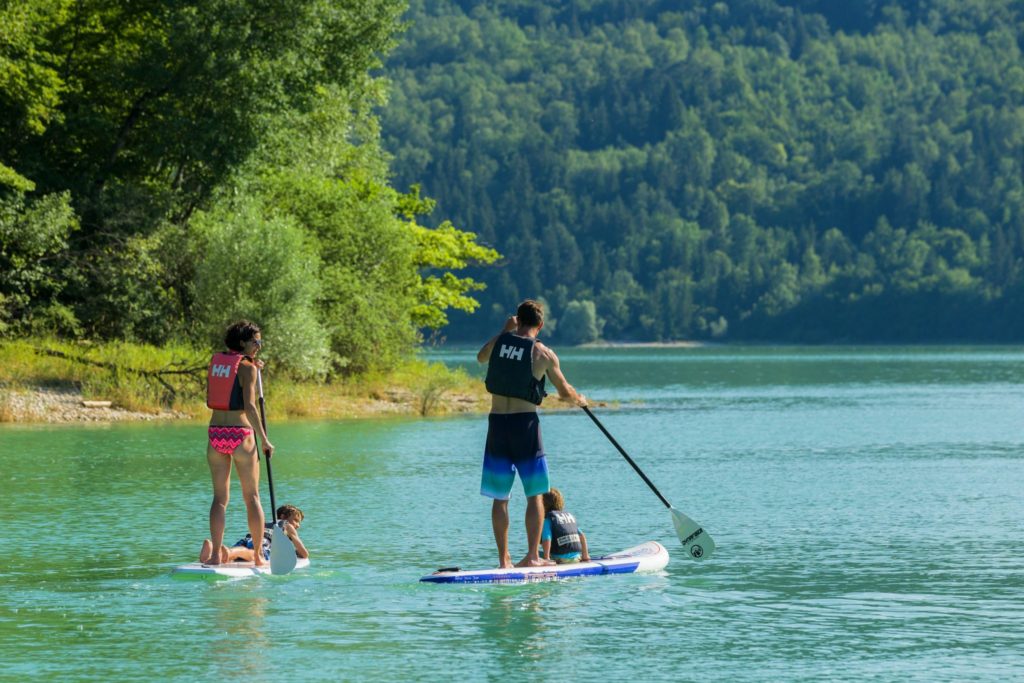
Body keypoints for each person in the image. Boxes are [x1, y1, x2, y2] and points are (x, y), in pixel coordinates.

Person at [476, 299, 587, 568]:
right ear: (541, 325)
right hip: (525, 427)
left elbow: (481, 357)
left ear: (517, 320)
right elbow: (563, 392)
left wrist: (505, 331)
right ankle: (532, 557)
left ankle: (504, 561)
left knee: (500, 497)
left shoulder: (500, 342)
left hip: (497, 425)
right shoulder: (544, 354)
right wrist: (580, 399)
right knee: (535, 494)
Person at [204, 320, 274, 566]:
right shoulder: (248, 368)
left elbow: (216, 393)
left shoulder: (216, 363)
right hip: (240, 433)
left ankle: (214, 556)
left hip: (215, 433)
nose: (259, 346)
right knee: (252, 497)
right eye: (256, 341)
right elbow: (250, 406)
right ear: (243, 342)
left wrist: (252, 366)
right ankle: (257, 556)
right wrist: (264, 439)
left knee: (220, 499)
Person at [199, 505, 308, 564]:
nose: (298, 525)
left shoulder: (264, 523)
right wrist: (296, 552)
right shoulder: (287, 525)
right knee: (251, 554)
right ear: (283, 517)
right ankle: (230, 552)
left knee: (235, 557)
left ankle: (211, 551)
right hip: (263, 543)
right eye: (296, 520)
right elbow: (304, 554)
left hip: (248, 539)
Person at [541, 487, 591, 563]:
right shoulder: (568, 517)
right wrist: (585, 556)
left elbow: (547, 538)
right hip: (577, 558)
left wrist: (546, 558)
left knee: (534, 555)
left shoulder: (548, 520)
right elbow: (582, 536)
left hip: (559, 559)